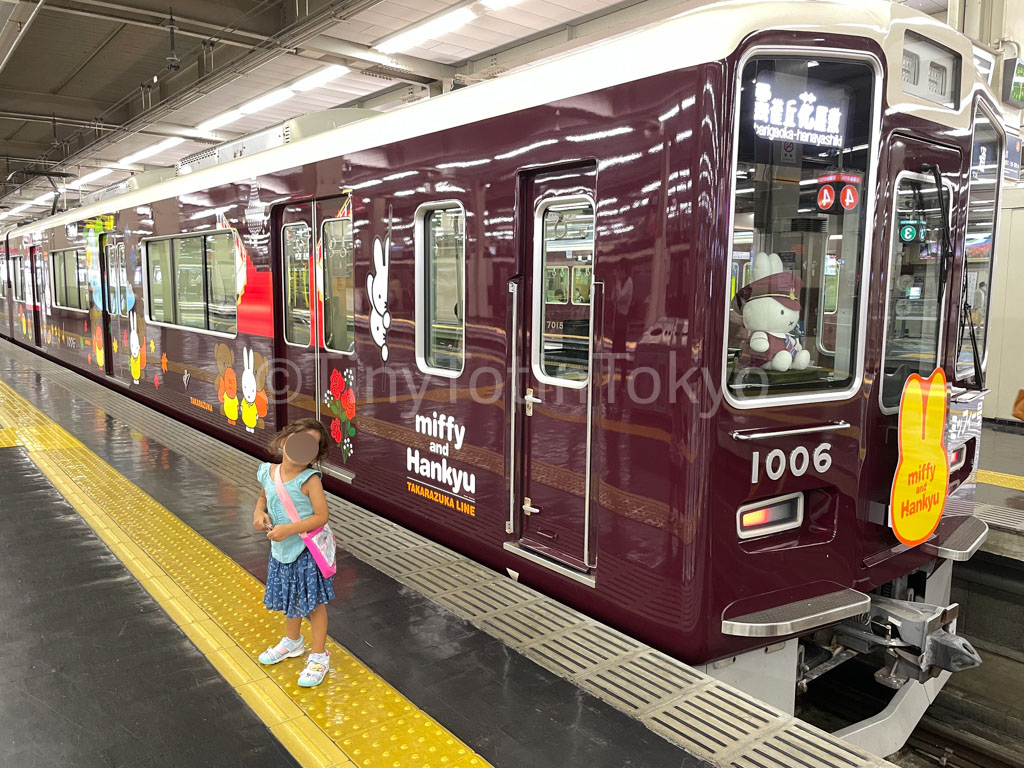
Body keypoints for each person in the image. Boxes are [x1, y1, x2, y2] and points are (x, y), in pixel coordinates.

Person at [253, 418, 335, 687]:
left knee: (314, 604)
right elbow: (264, 498)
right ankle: (293, 642)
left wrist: (288, 529)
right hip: (281, 549)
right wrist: (258, 513)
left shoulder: (310, 480)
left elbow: (322, 516)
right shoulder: (267, 472)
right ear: (286, 438)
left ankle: (319, 655)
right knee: (290, 595)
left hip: (305, 549)